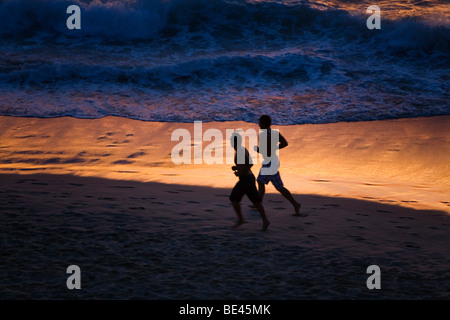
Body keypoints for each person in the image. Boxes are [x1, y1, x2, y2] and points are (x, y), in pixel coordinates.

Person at [255, 115, 305, 217]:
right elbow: (285, 143)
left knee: (276, 186)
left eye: (260, 122)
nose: (258, 124)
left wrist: (259, 150)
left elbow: (266, 151)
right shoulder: (274, 133)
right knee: (262, 181)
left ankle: (296, 204)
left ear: (264, 124)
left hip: (270, 163)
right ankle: (258, 203)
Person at [229, 132, 270, 231]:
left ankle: (240, 220)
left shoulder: (240, 151)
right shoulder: (241, 149)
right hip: (249, 178)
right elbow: (246, 163)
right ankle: (265, 221)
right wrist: (237, 167)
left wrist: (240, 173)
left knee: (234, 199)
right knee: (256, 201)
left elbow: (250, 163)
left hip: (245, 179)